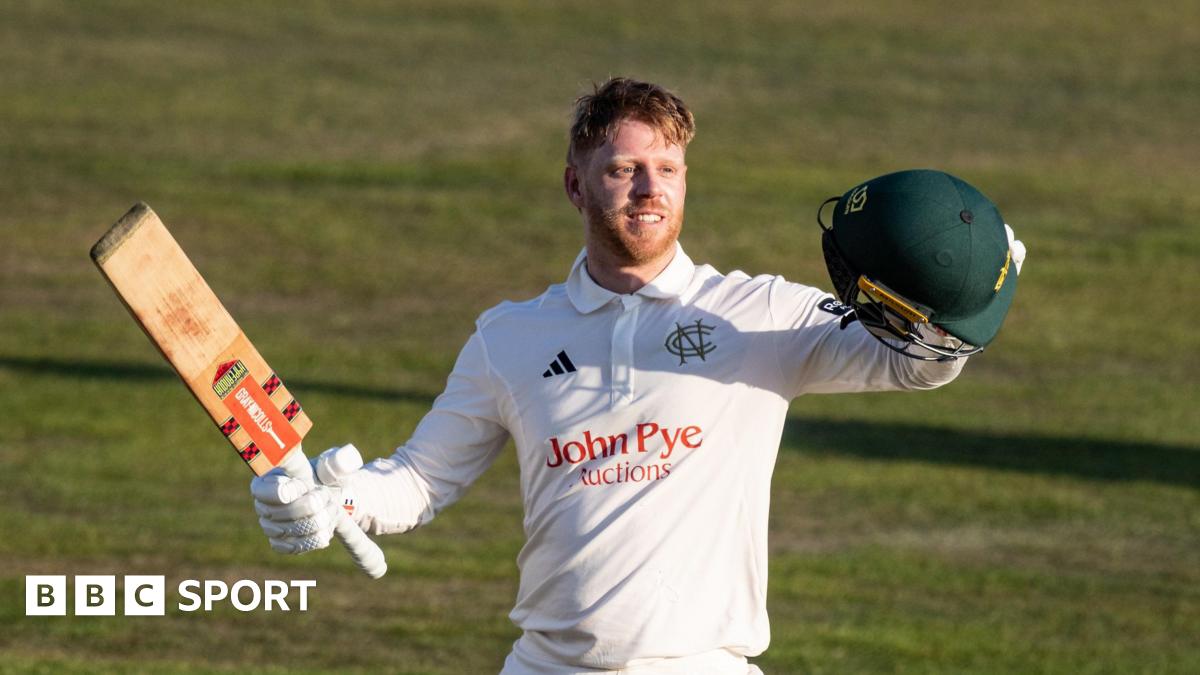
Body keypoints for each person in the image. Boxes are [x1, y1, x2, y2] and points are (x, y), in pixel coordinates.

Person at [251, 77, 1025, 674]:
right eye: (624, 169)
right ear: (575, 185)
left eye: (667, 168)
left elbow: (908, 364)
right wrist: (337, 497)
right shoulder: (509, 339)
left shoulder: (759, 314)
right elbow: (419, 481)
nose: (650, 189)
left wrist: (960, 305)